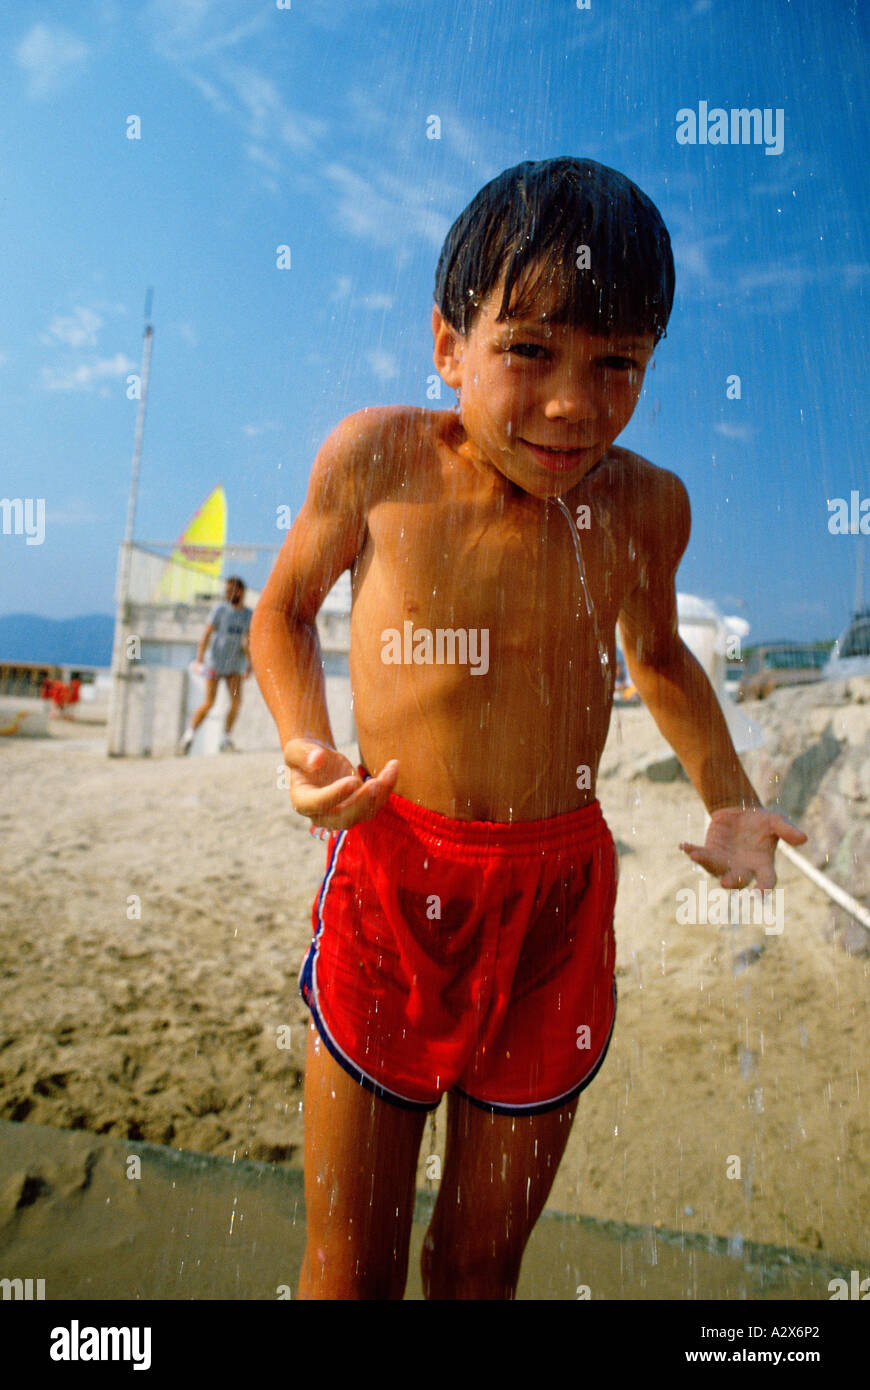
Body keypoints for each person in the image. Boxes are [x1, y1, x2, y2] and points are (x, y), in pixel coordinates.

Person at [249, 157, 806, 1301]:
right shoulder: (380, 459)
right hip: (393, 884)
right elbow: (283, 612)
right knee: (348, 1265)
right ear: (449, 344)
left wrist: (729, 798)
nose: (572, 402)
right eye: (529, 350)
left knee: (480, 1260)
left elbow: (659, 658)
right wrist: (309, 746)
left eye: (619, 365)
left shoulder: (647, 507)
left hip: (554, 908)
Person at [179, 575, 251, 753]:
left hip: (234, 666)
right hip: (215, 663)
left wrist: (250, 664)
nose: (227, 594)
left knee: (236, 702)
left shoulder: (249, 615)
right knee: (209, 702)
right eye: (225, 590)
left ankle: (226, 739)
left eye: (230, 590)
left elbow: (248, 641)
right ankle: (188, 736)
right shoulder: (220, 611)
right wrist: (199, 659)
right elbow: (206, 635)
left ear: (240, 591)